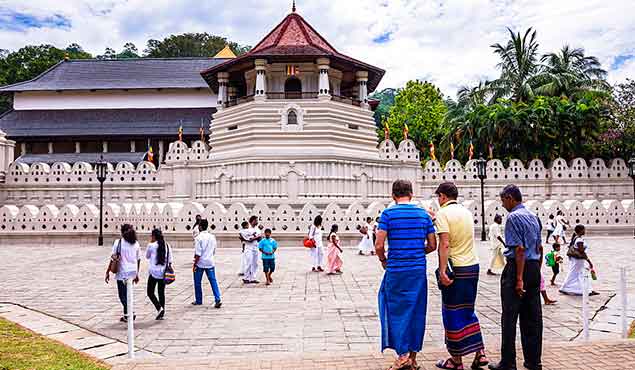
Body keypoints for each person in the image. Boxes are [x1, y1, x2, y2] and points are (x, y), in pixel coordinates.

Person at [376, 179, 437, 370]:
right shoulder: (423, 215)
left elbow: (379, 245)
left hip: (396, 269)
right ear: (411, 194)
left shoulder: (388, 214)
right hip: (417, 270)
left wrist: (383, 260)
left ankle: (402, 355)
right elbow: (433, 245)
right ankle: (412, 357)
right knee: (417, 310)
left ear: (393, 195)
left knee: (394, 309)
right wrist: (417, 253)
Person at [433, 182, 488, 370]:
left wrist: (441, 271)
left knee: (452, 312)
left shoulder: (443, 213)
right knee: (468, 310)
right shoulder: (465, 211)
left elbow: (445, 243)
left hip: (455, 269)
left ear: (442, 196)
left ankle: (456, 361)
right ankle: (480, 353)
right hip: (472, 266)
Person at [489, 185, 543, 370]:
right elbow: (539, 248)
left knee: (510, 317)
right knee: (533, 318)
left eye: (503, 200)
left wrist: (519, 279)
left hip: (517, 269)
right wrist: (536, 272)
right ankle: (534, 361)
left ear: (510, 198)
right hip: (534, 267)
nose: (503, 205)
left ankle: (508, 362)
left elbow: (519, 250)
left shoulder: (513, 217)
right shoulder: (533, 216)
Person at [105, 224, 140, 323]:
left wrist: (108, 271)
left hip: (122, 272)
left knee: (122, 296)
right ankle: (126, 315)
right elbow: (138, 260)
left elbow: (113, 258)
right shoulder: (136, 243)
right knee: (128, 294)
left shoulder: (118, 242)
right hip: (132, 272)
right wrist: (137, 273)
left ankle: (130, 312)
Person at [559, 225, 599, 296]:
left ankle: (587, 289)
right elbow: (582, 251)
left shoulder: (576, 238)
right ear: (580, 230)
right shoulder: (579, 240)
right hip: (578, 260)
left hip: (577, 260)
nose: (585, 231)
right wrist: (589, 261)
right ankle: (565, 288)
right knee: (574, 274)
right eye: (584, 230)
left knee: (579, 274)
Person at [191, 219, 222, 308]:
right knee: (213, 281)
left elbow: (198, 253)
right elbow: (214, 250)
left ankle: (199, 300)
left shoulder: (198, 238)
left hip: (200, 263)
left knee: (197, 282)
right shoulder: (212, 237)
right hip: (210, 262)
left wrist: (194, 264)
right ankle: (217, 298)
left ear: (200, 226)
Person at [146, 228, 172, 320]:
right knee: (161, 293)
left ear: (153, 236)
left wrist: (151, 243)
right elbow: (170, 261)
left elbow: (147, 256)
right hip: (163, 273)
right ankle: (162, 311)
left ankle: (159, 308)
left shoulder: (151, 245)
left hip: (153, 273)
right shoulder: (167, 246)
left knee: (150, 292)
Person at [243, 216, 262, 284]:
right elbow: (247, 239)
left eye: (257, 220)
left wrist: (258, 238)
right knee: (249, 262)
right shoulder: (247, 229)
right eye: (256, 220)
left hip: (255, 247)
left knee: (255, 263)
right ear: (252, 221)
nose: (257, 222)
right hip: (249, 247)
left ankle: (253, 277)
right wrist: (256, 237)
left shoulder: (258, 229)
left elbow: (260, 239)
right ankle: (246, 277)